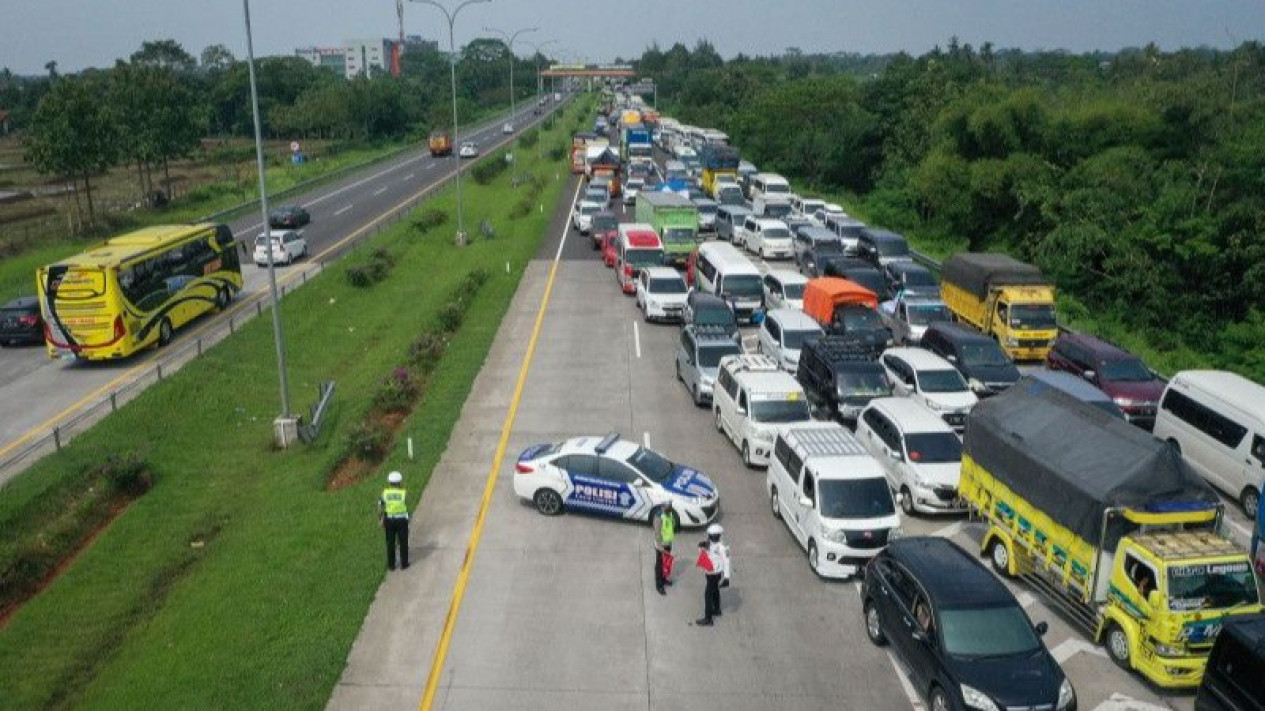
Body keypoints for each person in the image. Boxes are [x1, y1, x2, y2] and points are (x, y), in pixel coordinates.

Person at [695, 523, 731, 626]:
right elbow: (704, 554)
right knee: (715, 591)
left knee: (708, 595)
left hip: (714, 574)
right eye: (710, 535)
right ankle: (717, 609)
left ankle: (708, 619)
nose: (711, 537)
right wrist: (701, 546)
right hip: (709, 572)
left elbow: (727, 561)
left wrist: (727, 578)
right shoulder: (709, 542)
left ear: (718, 535)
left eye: (713, 536)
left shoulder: (723, 547)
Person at [379, 471, 409, 571]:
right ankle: (404, 564)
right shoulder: (403, 493)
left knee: (390, 542)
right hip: (401, 520)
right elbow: (405, 503)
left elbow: (380, 506)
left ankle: (391, 565)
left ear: (389, 482)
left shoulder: (385, 493)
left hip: (389, 520)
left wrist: (381, 518)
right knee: (403, 542)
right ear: (399, 482)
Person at [653, 502, 677, 595]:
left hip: (668, 543)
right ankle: (659, 585)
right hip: (661, 545)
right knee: (659, 564)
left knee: (665, 563)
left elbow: (672, 524)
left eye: (670, 509)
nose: (669, 511)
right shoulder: (658, 517)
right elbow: (657, 534)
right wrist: (660, 547)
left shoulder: (669, 514)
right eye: (667, 509)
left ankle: (663, 579)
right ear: (662, 507)